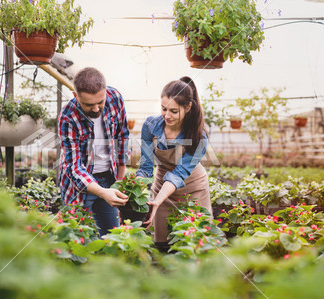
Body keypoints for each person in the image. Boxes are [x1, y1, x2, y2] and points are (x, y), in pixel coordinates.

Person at [136, 76, 212, 246]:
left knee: (196, 242)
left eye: (174, 111)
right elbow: (146, 167)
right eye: (163, 109)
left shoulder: (199, 137)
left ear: (188, 107)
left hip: (194, 188)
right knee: (163, 243)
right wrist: (137, 191)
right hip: (162, 188)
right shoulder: (150, 126)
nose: (167, 115)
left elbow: (179, 174)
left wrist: (158, 199)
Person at [57, 67, 130, 236]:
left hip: (109, 179)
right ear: (76, 97)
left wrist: (118, 182)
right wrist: (103, 192)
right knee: (79, 238)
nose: (96, 109)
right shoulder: (68, 117)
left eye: (100, 102)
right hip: (79, 188)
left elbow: (122, 138)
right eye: (89, 104)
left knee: (112, 236)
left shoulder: (115, 98)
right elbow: (74, 167)